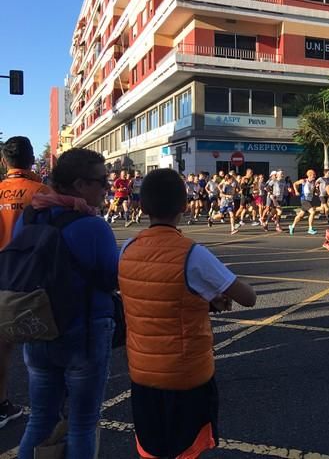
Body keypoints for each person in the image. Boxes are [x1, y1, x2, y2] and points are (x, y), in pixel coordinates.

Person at [119, 168, 256, 459]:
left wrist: (201, 301)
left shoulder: (127, 248)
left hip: (142, 372)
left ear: (141, 207)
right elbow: (248, 298)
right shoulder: (193, 253)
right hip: (185, 375)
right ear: (184, 206)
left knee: (152, 447)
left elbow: (152, 296)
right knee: (184, 448)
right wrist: (211, 298)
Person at [16, 148, 118, 459]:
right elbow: (112, 278)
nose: (107, 188)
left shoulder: (30, 216)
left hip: (37, 326)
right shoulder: (93, 226)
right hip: (82, 331)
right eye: (101, 181)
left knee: (40, 418)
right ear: (79, 185)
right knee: (83, 424)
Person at [0, 137, 51, 429]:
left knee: (1, 344)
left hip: (1, 273)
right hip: (31, 275)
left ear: (4, 162)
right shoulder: (41, 191)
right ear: (32, 161)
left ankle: (1, 403)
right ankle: (46, 407)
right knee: (38, 342)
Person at [290, 169, 318, 235]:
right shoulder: (304, 181)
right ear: (310, 175)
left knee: (300, 215)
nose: (315, 176)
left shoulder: (314, 182)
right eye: (314, 175)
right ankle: (310, 229)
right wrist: (296, 191)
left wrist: (317, 190)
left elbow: (315, 192)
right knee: (312, 212)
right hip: (304, 199)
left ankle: (292, 226)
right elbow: (295, 184)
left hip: (309, 200)